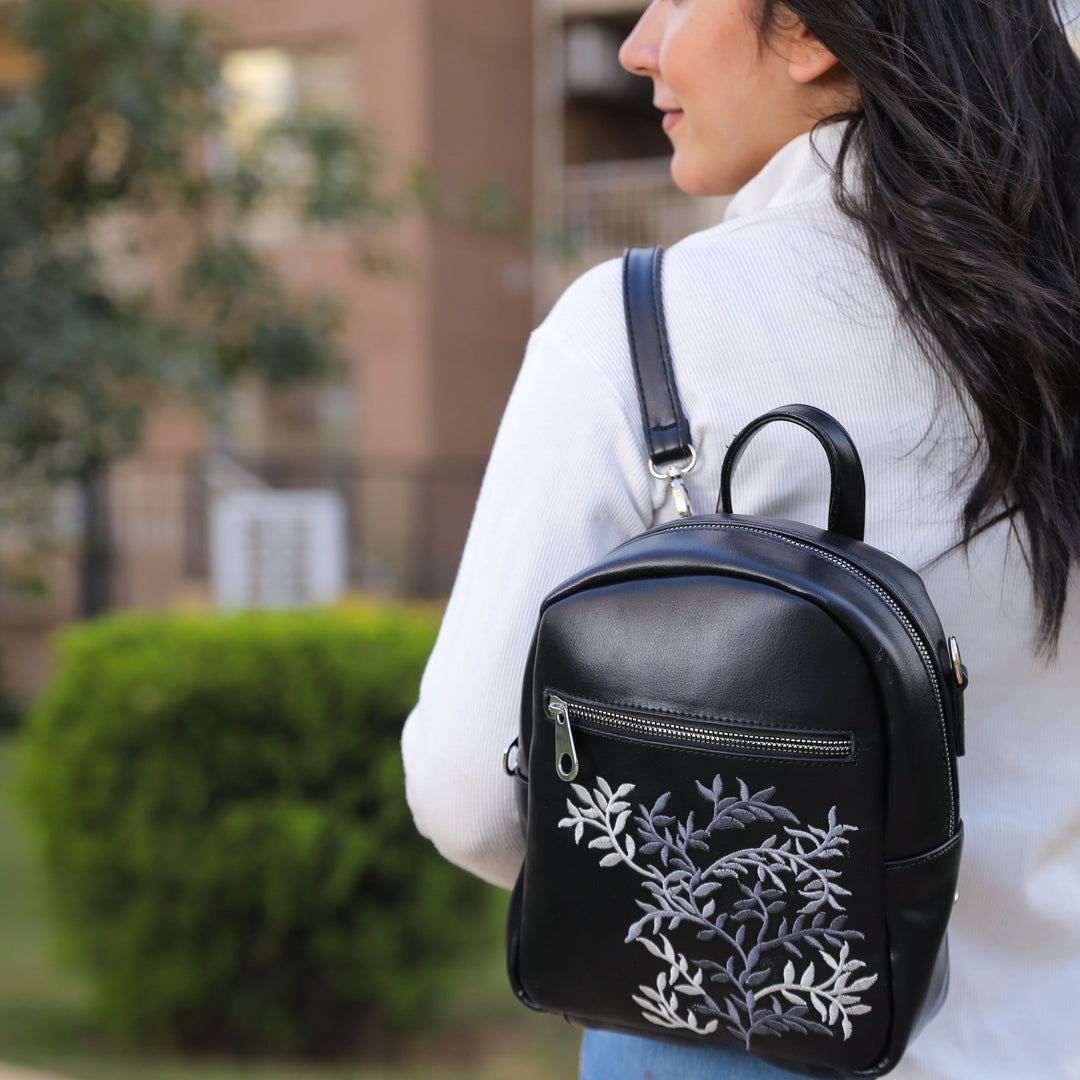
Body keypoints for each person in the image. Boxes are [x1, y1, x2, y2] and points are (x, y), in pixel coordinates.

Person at [401, 0, 1080, 1077]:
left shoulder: (642, 330)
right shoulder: (1054, 317)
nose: (638, 45)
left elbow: (471, 798)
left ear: (811, 28)